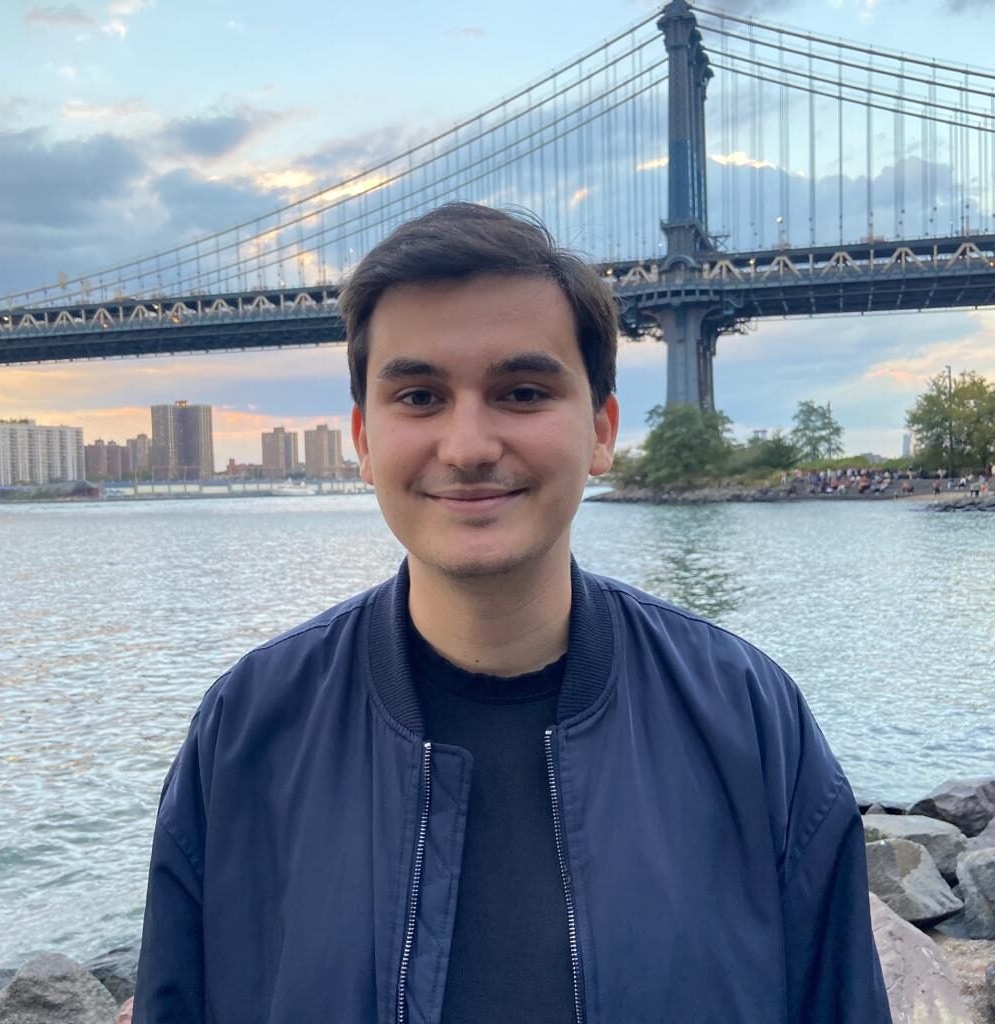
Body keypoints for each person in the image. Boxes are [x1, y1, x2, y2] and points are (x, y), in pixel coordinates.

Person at [133, 203, 891, 1024]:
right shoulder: (246, 731)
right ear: (362, 439)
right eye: (419, 396)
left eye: (521, 392)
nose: (466, 446)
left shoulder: (747, 717)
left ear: (601, 431)